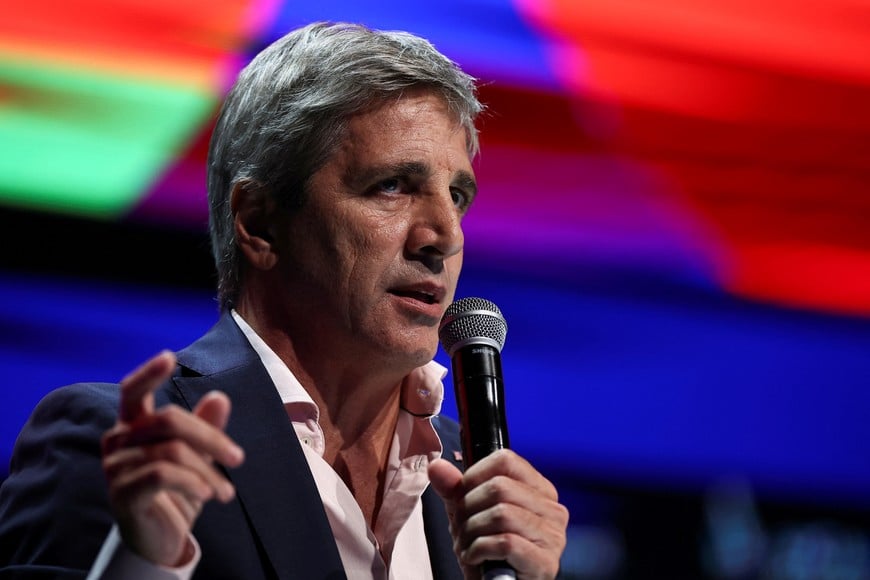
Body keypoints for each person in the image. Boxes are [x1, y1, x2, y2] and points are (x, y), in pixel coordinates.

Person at [0, 21, 569, 579]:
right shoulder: (126, 450)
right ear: (260, 222)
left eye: (458, 195)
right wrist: (142, 563)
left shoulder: (477, 491)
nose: (444, 237)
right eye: (391, 186)